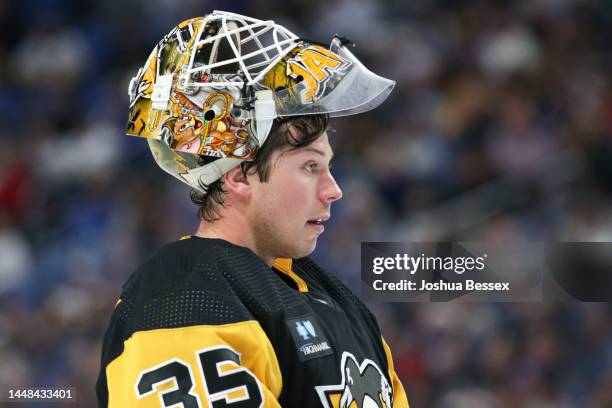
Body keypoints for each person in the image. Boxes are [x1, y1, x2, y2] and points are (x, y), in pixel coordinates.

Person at [96, 10, 408, 407]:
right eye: (310, 166)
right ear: (239, 175)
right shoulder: (182, 294)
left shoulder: (339, 301)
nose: (334, 191)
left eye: (328, 166)